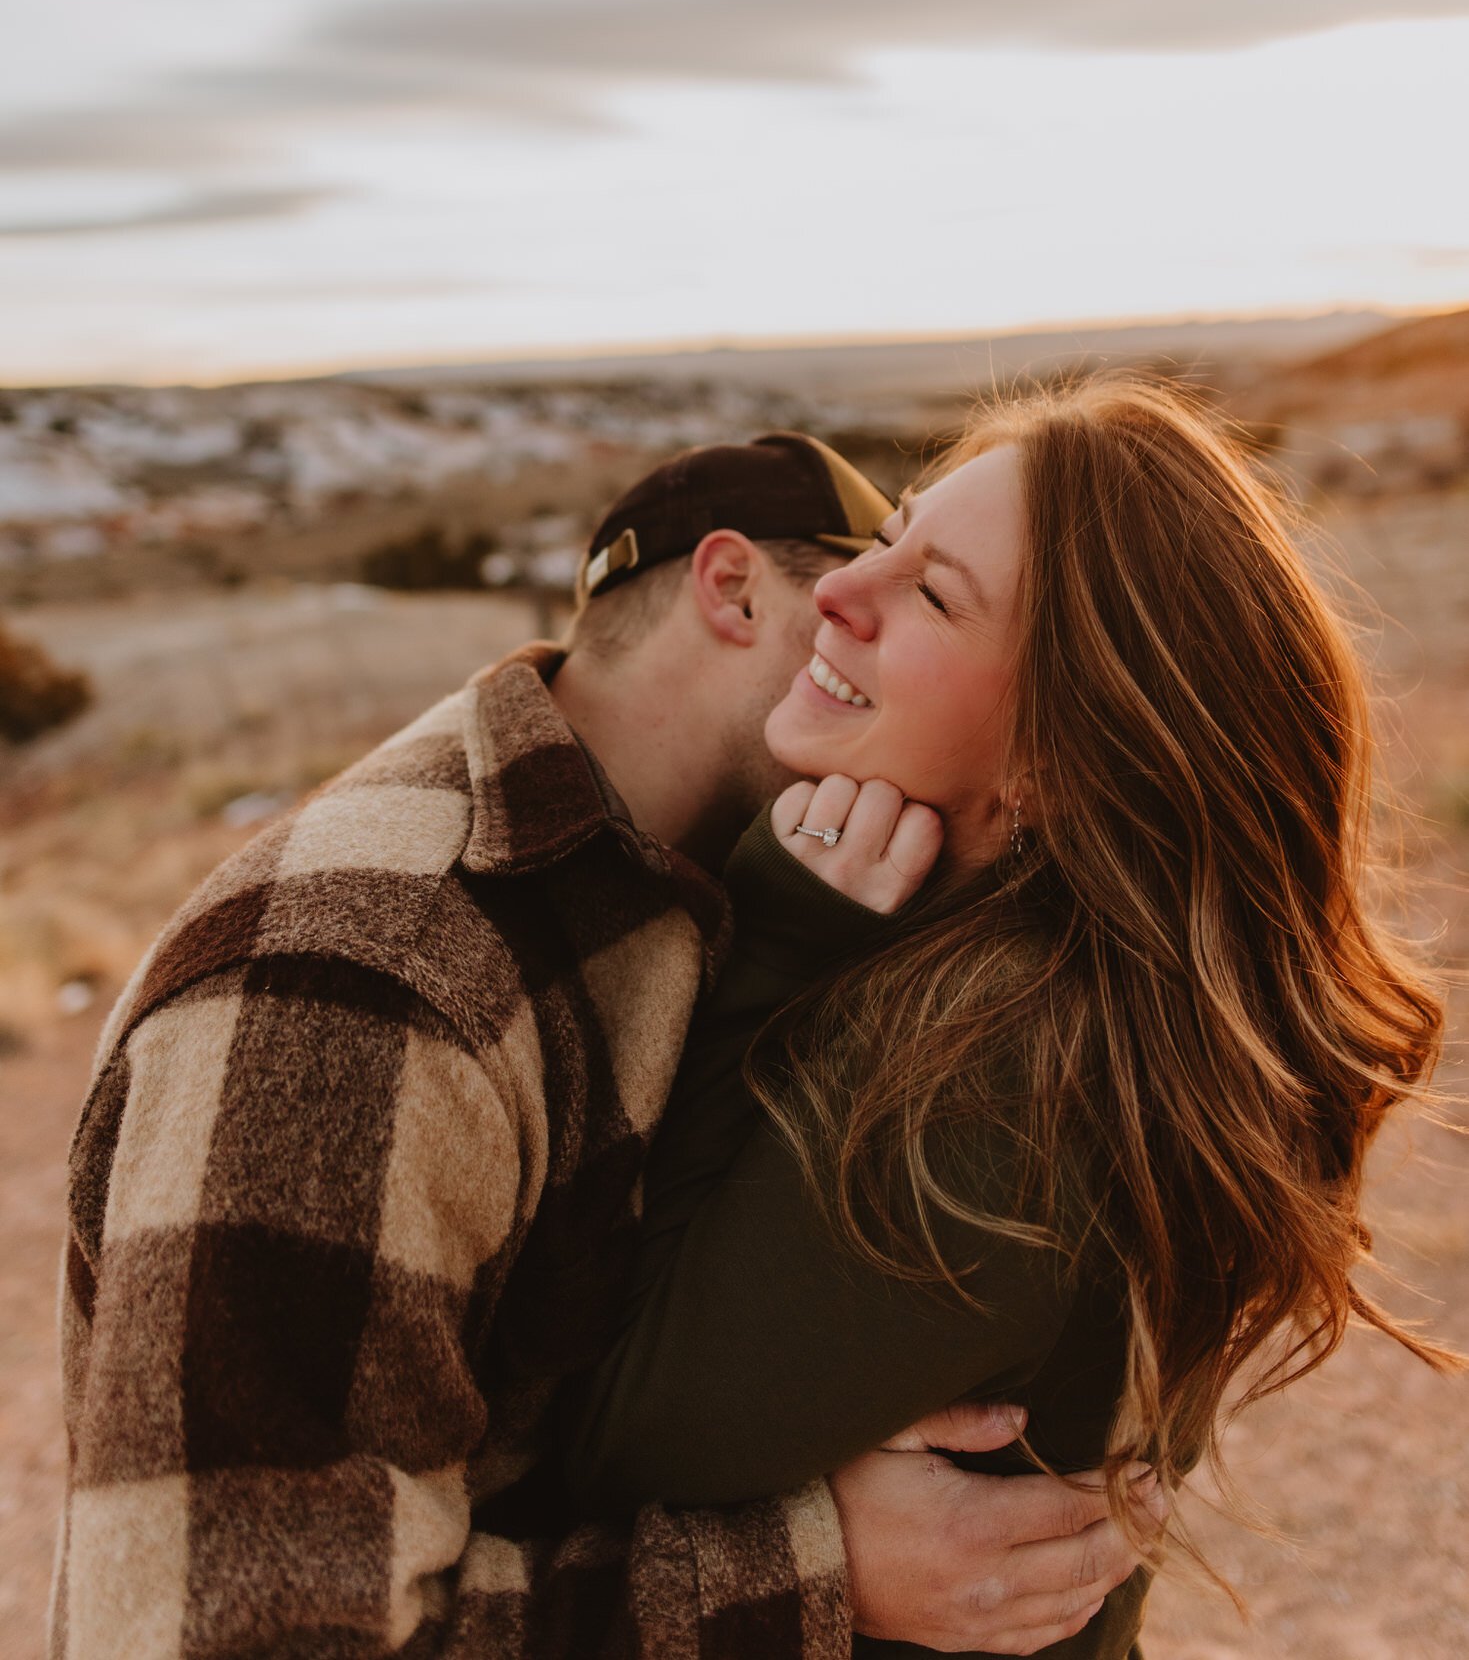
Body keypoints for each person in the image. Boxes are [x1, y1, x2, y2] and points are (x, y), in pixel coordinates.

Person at [52, 431, 1151, 1660]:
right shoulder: (354, 987)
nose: (855, 615)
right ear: (730, 588)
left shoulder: (713, 885)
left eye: (928, 593)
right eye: (865, 564)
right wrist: (812, 1573)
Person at [566, 375, 1455, 1657]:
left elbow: (608, 1441)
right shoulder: (1077, 991)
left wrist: (769, 947)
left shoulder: (1000, 1097)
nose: (837, 593)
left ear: (1057, 760)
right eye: (891, 537)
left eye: (931, 594)